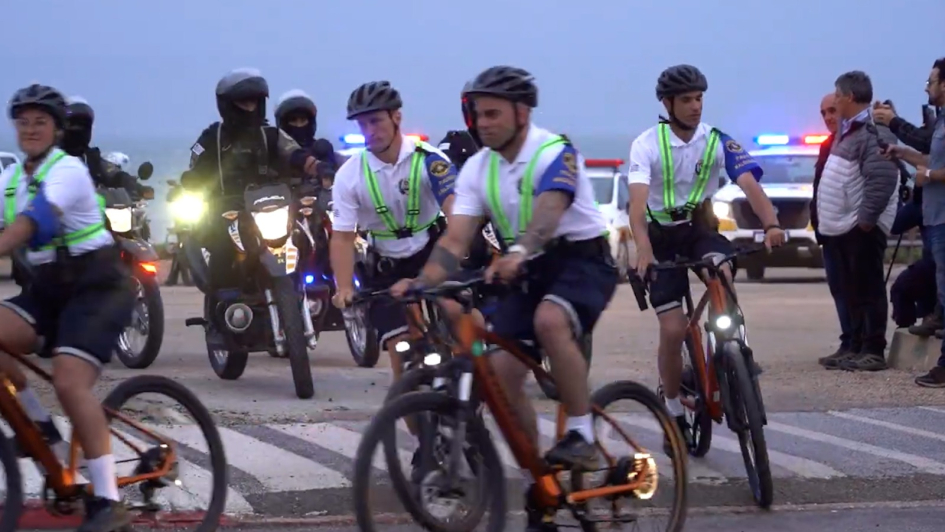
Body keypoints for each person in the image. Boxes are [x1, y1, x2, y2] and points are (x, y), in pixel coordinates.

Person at [391, 65, 618, 531]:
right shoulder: (477, 167)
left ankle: (581, 433)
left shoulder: (555, 150)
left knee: (550, 323)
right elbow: (455, 241)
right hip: (528, 268)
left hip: (580, 261)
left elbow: (550, 211)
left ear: (522, 112)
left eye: (493, 114)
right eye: (477, 115)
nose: (483, 123)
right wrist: (424, 279)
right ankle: (542, 481)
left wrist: (519, 251)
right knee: (499, 371)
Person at [0, 84, 135, 531]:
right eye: (24, 122)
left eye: (41, 121)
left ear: (56, 129)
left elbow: (33, 221)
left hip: (98, 286)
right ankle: (40, 428)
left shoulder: (68, 170)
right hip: (49, 289)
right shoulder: (11, 179)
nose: (31, 129)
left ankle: (107, 502)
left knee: (69, 380)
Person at [627, 65, 784, 440]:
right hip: (660, 236)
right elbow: (636, 207)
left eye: (699, 98)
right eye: (686, 100)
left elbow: (750, 186)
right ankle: (672, 404)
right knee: (673, 328)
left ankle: (731, 351)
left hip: (699, 228)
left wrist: (772, 225)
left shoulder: (716, 140)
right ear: (668, 104)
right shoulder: (646, 144)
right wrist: (643, 249)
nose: (695, 106)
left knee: (723, 272)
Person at [329, 80, 459, 385]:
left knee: (459, 311)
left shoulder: (430, 160)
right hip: (384, 262)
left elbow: (455, 211)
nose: (370, 130)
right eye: (363, 124)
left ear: (396, 117)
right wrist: (344, 287)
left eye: (376, 121)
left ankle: (475, 374)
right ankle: (417, 416)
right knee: (403, 352)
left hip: (431, 250)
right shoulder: (349, 175)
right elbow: (343, 237)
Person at [180, 68, 319, 344]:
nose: (250, 107)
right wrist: (191, 181)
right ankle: (220, 315)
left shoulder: (271, 135)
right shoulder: (212, 137)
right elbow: (194, 169)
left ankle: (305, 293)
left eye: (254, 101)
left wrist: (313, 164)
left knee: (303, 237)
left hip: (270, 206)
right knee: (221, 246)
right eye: (244, 102)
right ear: (227, 104)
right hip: (227, 210)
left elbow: (295, 152)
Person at [816, 70, 899, 372]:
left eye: (837, 95)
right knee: (850, 289)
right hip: (841, 227)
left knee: (868, 288)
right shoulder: (846, 131)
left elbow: (883, 178)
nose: (835, 101)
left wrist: (865, 221)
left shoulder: (873, 131)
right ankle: (854, 344)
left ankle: (873, 348)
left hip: (860, 227)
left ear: (850, 97)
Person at [881, 57, 945, 387]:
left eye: (931, 81)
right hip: (935, 218)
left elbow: (934, 167)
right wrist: (903, 154)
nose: (927, 87)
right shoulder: (941, 121)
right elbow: (929, 155)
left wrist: (929, 175)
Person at [812, 93, 855, 367]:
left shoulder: (854, 143)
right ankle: (848, 340)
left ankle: (863, 343)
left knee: (858, 289)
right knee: (838, 287)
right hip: (828, 230)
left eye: (832, 111)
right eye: (823, 113)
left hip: (851, 228)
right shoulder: (827, 145)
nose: (828, 117)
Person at [61, 97, 151, 200]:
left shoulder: (91, 158)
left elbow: (111, 173)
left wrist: (131, 183)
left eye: (83, 124)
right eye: (74, 124)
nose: (78, 130)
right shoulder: (52, 158)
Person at [274, 89, 346, 190]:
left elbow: (346, 175)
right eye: (293, 121)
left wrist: (327, 172)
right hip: (281, 202)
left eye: (303, 120)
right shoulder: (274, 151)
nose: (298, 125)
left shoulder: (322, 149)